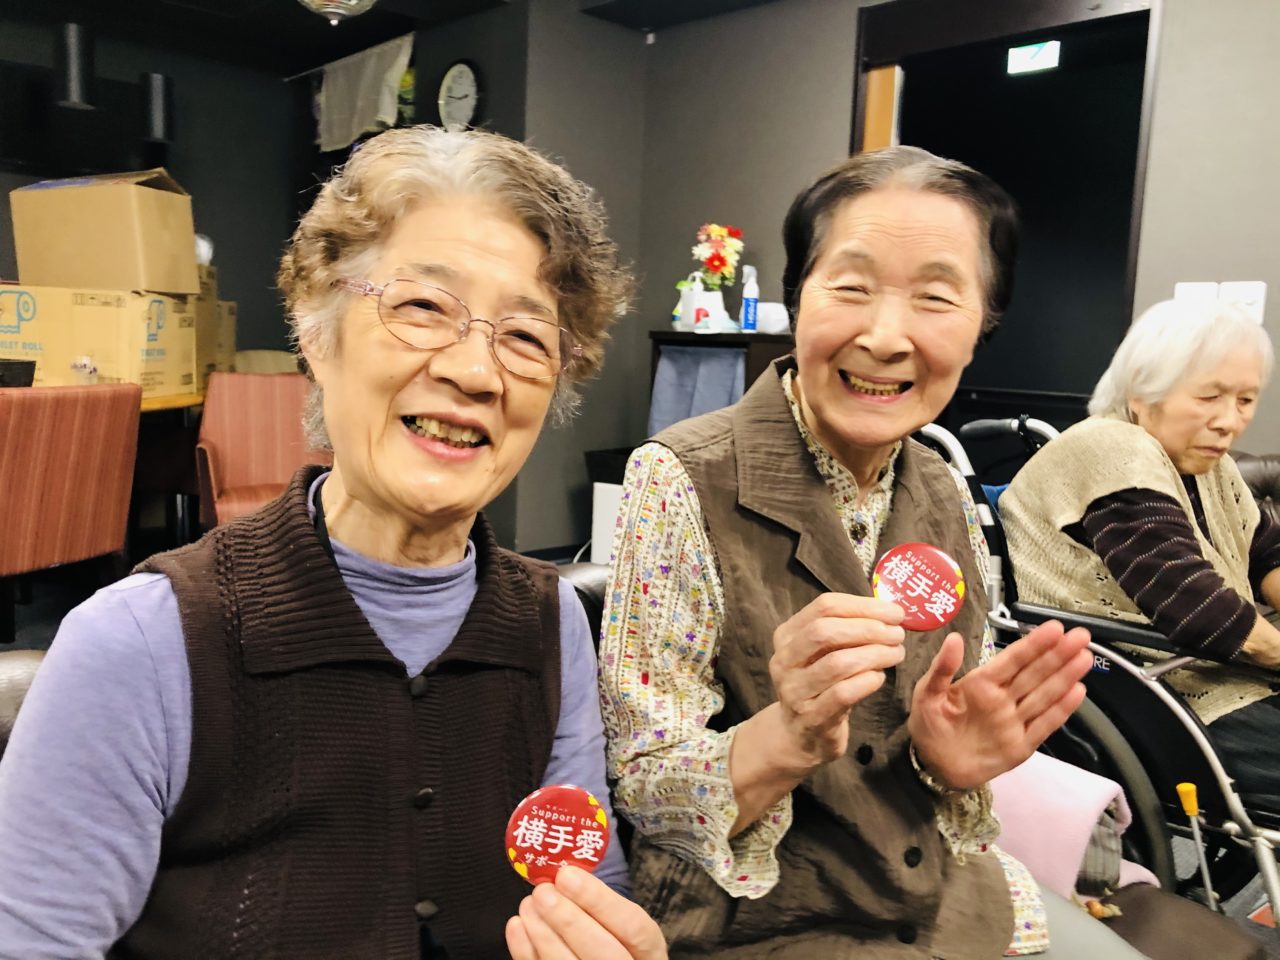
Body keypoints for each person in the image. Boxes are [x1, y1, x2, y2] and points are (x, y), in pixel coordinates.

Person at [0, 126, 665, 960]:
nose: (476, 371)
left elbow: (582, 887)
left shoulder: (552, 621)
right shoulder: (141, 641)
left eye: (527, 338)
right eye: (423, 307)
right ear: (316, 333)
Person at [598, 145, 1144, 958]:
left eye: (936, 297)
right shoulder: (680, 477)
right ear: (798, 300)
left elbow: (954, 743)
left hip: (943, 895)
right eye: (850, 287)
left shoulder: (945, 490)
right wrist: (786, 734)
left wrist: (948, 761)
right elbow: (647, 793)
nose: (885, 338)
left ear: (983, 324)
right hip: (761, 921)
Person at [1002, 298, 1280, 807]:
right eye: (1209, 396)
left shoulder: (1207, 465)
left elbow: (1266, 552)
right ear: (1142, 391)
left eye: (1245, 400)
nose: (1230, 421)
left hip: (1214, 671)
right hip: (1150, 691)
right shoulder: (1113, 452)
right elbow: (1194, 604)